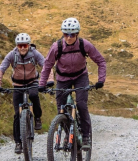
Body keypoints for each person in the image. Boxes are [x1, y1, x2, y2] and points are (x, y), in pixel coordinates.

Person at [39, 17, 106, 151]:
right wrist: (42, 84)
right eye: (66, 34)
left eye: (72, 34)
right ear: (63, 34)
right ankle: (67, 134)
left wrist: (100, 80)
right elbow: (47, 65)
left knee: (81, 104)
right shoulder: (56, 46)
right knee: (61, 109)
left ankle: (86, 136)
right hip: (63, 78)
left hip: (80, 77)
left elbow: (101, 61)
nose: (69, 37)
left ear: (77, 34)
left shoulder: (84, 45)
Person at [0, 32, 46, 155]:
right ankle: (18, 142)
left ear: (28, 45)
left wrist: (47, 81)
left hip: (32, 82)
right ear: (17, 46)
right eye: (20, 45)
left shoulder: (34, 53)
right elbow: (1, 69)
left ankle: (37, 117)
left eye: (25, 45)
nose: (22, 48)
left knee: (34, 95)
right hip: (17, 85)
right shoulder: (12, 55)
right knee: (17, 115)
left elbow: (46, 65)